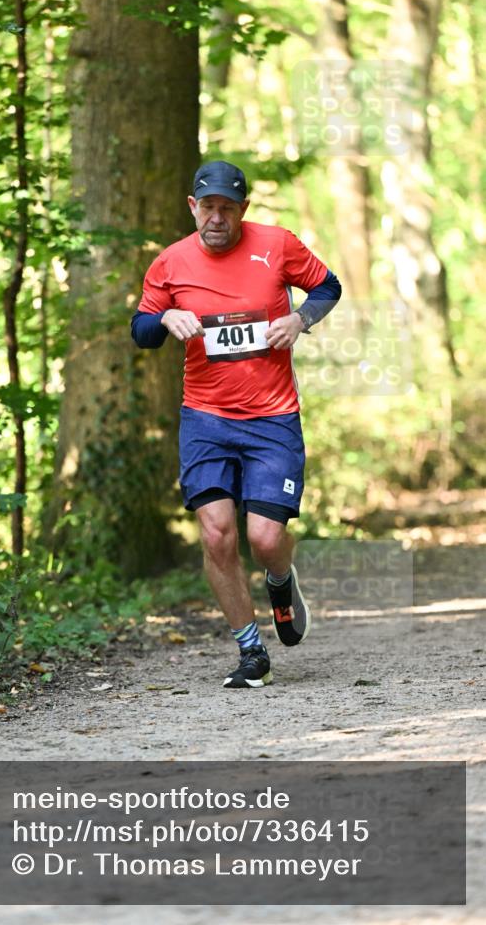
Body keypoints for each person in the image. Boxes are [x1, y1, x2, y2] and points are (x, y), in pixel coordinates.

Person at [131, 160, 342, 688]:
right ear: (192, 208)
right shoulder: (170, 263)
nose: (217, 217)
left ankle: (280, 580)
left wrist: (301, 318)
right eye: (208, 207)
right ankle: (251, 652)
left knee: (266, 539)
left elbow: (327, 286)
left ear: (243, 209)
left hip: (273, 417)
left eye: (228, 207)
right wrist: (163, 319)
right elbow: (140, 330)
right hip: (205, 418)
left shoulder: (277, 244)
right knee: (217, 534)